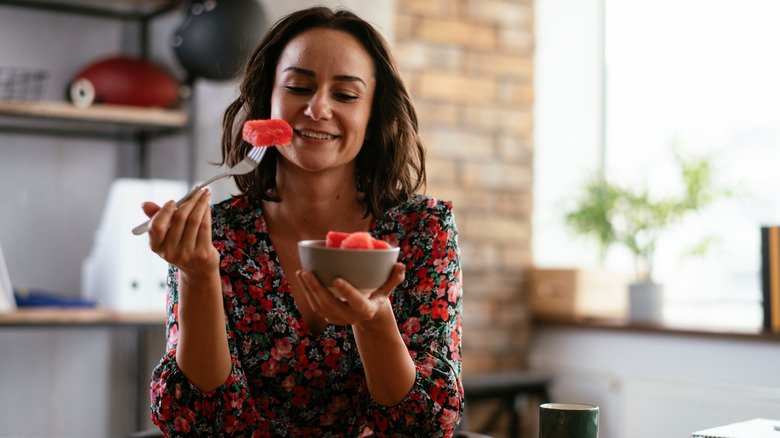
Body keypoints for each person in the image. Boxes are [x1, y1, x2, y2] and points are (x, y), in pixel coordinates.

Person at [141, 6, 463, 437]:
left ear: (372, 116)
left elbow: (426, 424)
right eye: (297, 86)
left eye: (346, 95)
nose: (317, 108)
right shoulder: (213, 237)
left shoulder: (423, 231)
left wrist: (372, 320)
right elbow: (200, 423)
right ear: (267, 103)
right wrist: (198, 276)